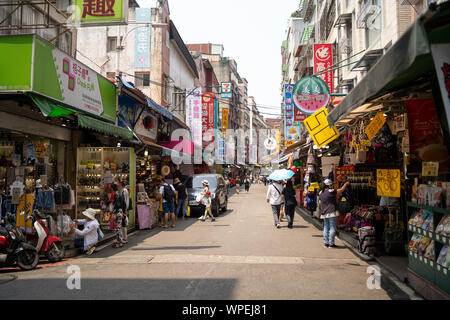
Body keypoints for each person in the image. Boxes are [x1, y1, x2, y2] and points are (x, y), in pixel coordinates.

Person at [319, 179, 350, 248]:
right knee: (332, 228)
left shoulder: (321, 192)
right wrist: (346, 184)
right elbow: (341, 190)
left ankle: (326, 243)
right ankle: (331, 244)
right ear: (329, 185)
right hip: (332, 212)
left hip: (324, 213)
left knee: (326, 227)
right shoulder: (331, 191)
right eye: (331, 185)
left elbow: (320, 202)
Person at [116, 180, 129, 244]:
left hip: (123, 210)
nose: (117, 184)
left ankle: (124, 238)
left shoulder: (124, 190)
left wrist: (125, 210)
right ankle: (123, 238)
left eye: (118, 183)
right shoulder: (121, 190)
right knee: (121, 225)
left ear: (120, 184)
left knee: (123, 224)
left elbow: (125, 201)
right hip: (121, 209)